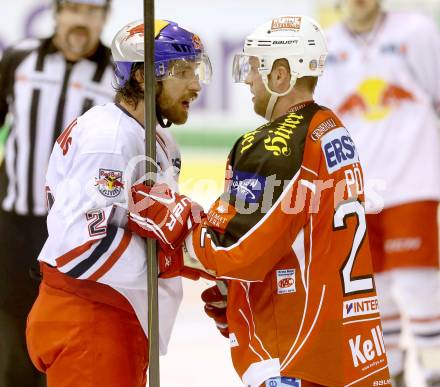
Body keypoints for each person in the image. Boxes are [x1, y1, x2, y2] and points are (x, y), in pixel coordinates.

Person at [128, 15, 391, 387]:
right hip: (350, 352)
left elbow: (233, 248)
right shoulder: (331, 127)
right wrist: (239, 299)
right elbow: (292, 235)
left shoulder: (274, 143)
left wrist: (177, 221)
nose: (248, 79)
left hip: (293, 358)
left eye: (253, 67)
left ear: (280, 74)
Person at [25, 19, 212, 387]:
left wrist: (207, 256)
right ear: (142, 76)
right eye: (182, 71)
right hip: (90, 321)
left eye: (197, 70)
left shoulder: (151, 140)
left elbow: (148, 223)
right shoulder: (109, 139)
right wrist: (169, 259)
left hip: (113, 319)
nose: (195, 84)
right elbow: (81, 245)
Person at [314, 1, 440, 385]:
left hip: (414, 181)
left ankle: (434, 370)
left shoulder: (415, 32)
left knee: (419, 284)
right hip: (357, 190)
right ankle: (393, 373)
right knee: (373, 288)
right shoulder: (325, 46)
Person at [0, 1, 114, 385]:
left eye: (93, 11)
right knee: (13, 328)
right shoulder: (20, 59)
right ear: (58, 12)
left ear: (104, 18)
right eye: (75, 8)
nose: (82, 19)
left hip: (76, 232)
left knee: (68, 331)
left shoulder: (117, 74)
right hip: (14, 222)